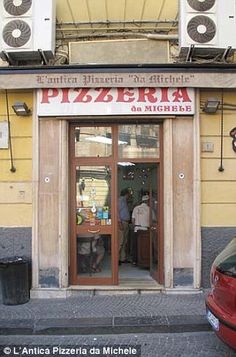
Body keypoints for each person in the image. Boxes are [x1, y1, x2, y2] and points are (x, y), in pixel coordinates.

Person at [131, 194, 151, 266]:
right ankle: (146, 261)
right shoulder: (149, 209)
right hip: (146, 230)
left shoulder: (136, 208)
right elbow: (153, 220)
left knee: (135, 246)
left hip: (137, 229)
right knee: (146, 246)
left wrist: (135, 226)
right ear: (148, 201)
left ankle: (135, 261)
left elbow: (133, 220)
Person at [118, 188, 131, 264]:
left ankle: (122, 258)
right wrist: (119, 223)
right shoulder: (120, 200)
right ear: (126, 194)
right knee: (120, 241)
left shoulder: (124, 201)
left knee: (124, 241)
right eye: (129, 193)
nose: (130, 195)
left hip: (125, 222)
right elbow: (117, 212)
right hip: (122, 223)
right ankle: (117, 258)